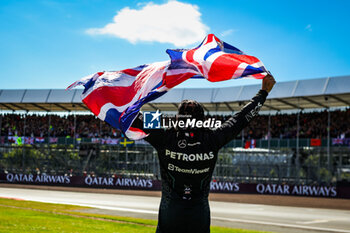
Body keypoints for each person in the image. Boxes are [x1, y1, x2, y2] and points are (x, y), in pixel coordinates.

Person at [132, 75, 276, 233]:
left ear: (177, 118)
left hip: (170, 213)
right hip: (199, 214)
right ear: (202, 120)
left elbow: (131, 116)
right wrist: (263, 93)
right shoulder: (212, 138)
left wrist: (115, 96)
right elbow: (240, 119)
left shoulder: (164, 135)